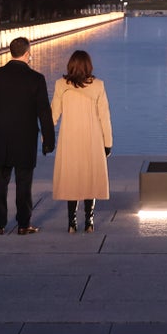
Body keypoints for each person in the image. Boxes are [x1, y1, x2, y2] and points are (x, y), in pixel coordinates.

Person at [0, 37, 55, 235]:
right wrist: (49, 140)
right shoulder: (36, 79)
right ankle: (23, 224)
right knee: (24, 185)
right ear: (27, 53)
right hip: (24, 140)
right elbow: (44, 112)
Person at [51, 50, 114, 234]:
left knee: (72, 179)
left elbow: (53, 114)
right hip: (92, 137)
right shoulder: (98, 85)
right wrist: (107, 142)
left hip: (69, 138)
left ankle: (71, 223)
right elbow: (105, 117)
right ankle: (90, 221)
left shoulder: (61, 85)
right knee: (89, 178)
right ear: (89, 65)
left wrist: (45, 137)